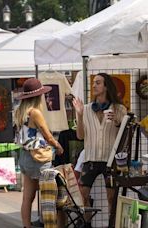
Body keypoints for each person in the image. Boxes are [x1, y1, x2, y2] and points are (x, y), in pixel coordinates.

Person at [72, 72, 127, 227]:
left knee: (111, 197)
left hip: (110, 160)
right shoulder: (86, 109)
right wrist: (80, 114)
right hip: (90, 159)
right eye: (94, 83)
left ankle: (111, 224)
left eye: (98, 83)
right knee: (83, 194)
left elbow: (125, 135)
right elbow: (80, 136)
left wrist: (117, 121)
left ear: (106, 86)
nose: (94, 86)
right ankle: (87, 223)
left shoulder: (119, 109)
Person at [14, 78, 64, 228]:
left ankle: (26, 225)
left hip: (25, 155)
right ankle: (48, 224)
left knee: (27, 197)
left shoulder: (19, 112)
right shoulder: (35, 112)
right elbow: (47, 135)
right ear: (38, 96)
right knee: (47, 196)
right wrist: (58, 146)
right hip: (39, 157)